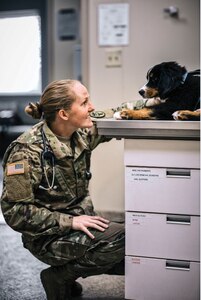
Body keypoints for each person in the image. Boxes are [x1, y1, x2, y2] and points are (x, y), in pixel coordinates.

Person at [0, 79, 125, 300]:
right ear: (64, 114)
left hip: (81, 222)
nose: (92, 107)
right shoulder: (26, 151)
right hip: (48, 237)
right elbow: (15, 212)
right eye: (85, 102)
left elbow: (117, 113)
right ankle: (59, 277)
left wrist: (158, 102)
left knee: (142, 248)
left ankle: (67, 275)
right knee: (124, 241)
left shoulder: (79, 133)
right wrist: (68, 221)